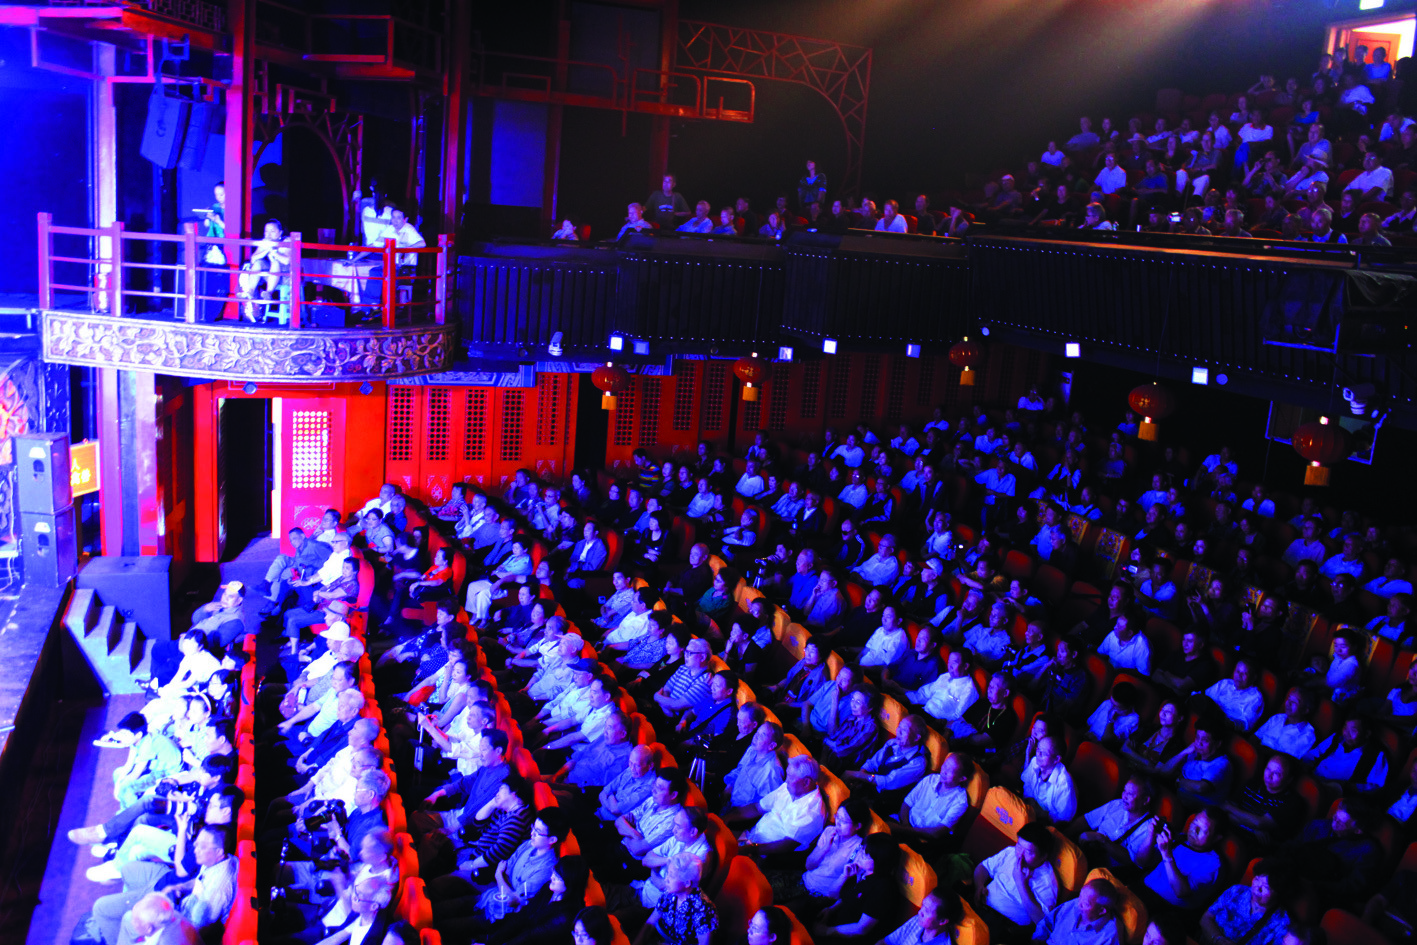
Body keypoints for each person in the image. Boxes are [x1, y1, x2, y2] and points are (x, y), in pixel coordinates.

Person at [972, 823, 1060, 940]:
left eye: (1028, 852)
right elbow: (983, 867)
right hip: (981, 906)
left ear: (1043, 856)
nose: (1020, 855)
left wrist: (1021, 883)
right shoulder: (1010, 852)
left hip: (1005, 925)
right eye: (1019, 846)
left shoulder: (1048, 882)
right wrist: (979, 886)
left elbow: (1041, 921)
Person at [1198, 861, 1291, 945]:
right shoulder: (1236, 891)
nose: (1257, 888)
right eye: (1257, 879)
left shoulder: (1281, 921)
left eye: (1266, 887)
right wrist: (1218, 939)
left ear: (1278, 892)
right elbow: (1206, 918)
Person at [1030, 878, 1121, 945]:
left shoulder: (1108, 936)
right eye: (1080, 896)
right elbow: (1048, 922)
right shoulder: (1076, 903)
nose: (1078, 904)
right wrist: (1036, 940)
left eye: (1085, 904)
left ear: (1101, 911)